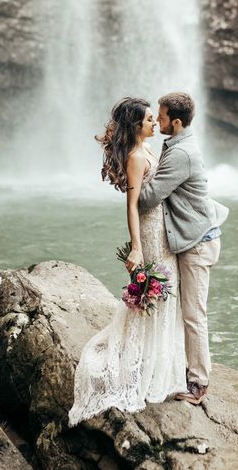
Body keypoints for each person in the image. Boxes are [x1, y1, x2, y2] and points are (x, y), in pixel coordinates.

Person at [68, 97, 187, 427]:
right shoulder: (136, 157)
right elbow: (132, 205)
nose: (154, 123)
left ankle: (158, 368)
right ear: (136, 126)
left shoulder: (151, 150)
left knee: (166, 297)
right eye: (149, 119)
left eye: (154, 118)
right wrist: (136, 247)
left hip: (165, 229)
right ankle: (137, 370)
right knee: (155, 295)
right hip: (150, 233)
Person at [138, 92, 229, 405]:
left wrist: (132, 174)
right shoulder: (177, 144)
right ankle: (184, 370)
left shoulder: (181, 154)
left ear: (176, 122)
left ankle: (199, 384)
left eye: (161, 117)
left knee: (193, 313)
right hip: (192, 238)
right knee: (185, 310)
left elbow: (149, 197)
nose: (157, 121)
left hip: (198, 243)